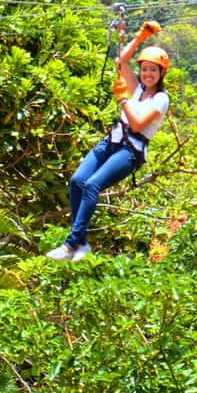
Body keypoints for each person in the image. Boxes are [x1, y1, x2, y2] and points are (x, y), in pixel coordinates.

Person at [47, 21, 170, 261]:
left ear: (162, 73)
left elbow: (137, 125)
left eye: (153, 70)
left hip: (130, 150)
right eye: (144, 69)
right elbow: (121, 62)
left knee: (92, 185)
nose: (147, 74)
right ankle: (80, 242)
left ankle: (71, 245)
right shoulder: (138, 89)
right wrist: (140, 37)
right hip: (112, 140)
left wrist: (124, 100)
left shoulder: (160, 99)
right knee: (77, 181)